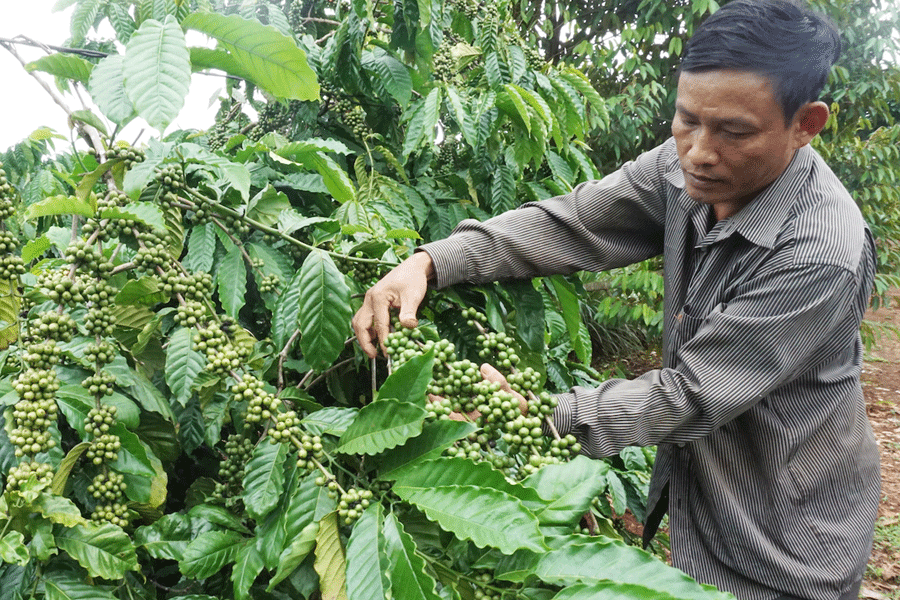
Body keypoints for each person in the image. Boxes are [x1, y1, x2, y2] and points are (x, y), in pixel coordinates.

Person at [351, 1, 881, 598]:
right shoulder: (684, 169)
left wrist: (538, 413)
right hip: (702, 498)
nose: (699, 152)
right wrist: (428, 262)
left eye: (734, 131)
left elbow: (691, 396)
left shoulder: (820, 250)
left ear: (805, 123)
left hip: (788, 538)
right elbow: (571, 224)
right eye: (687, 120)